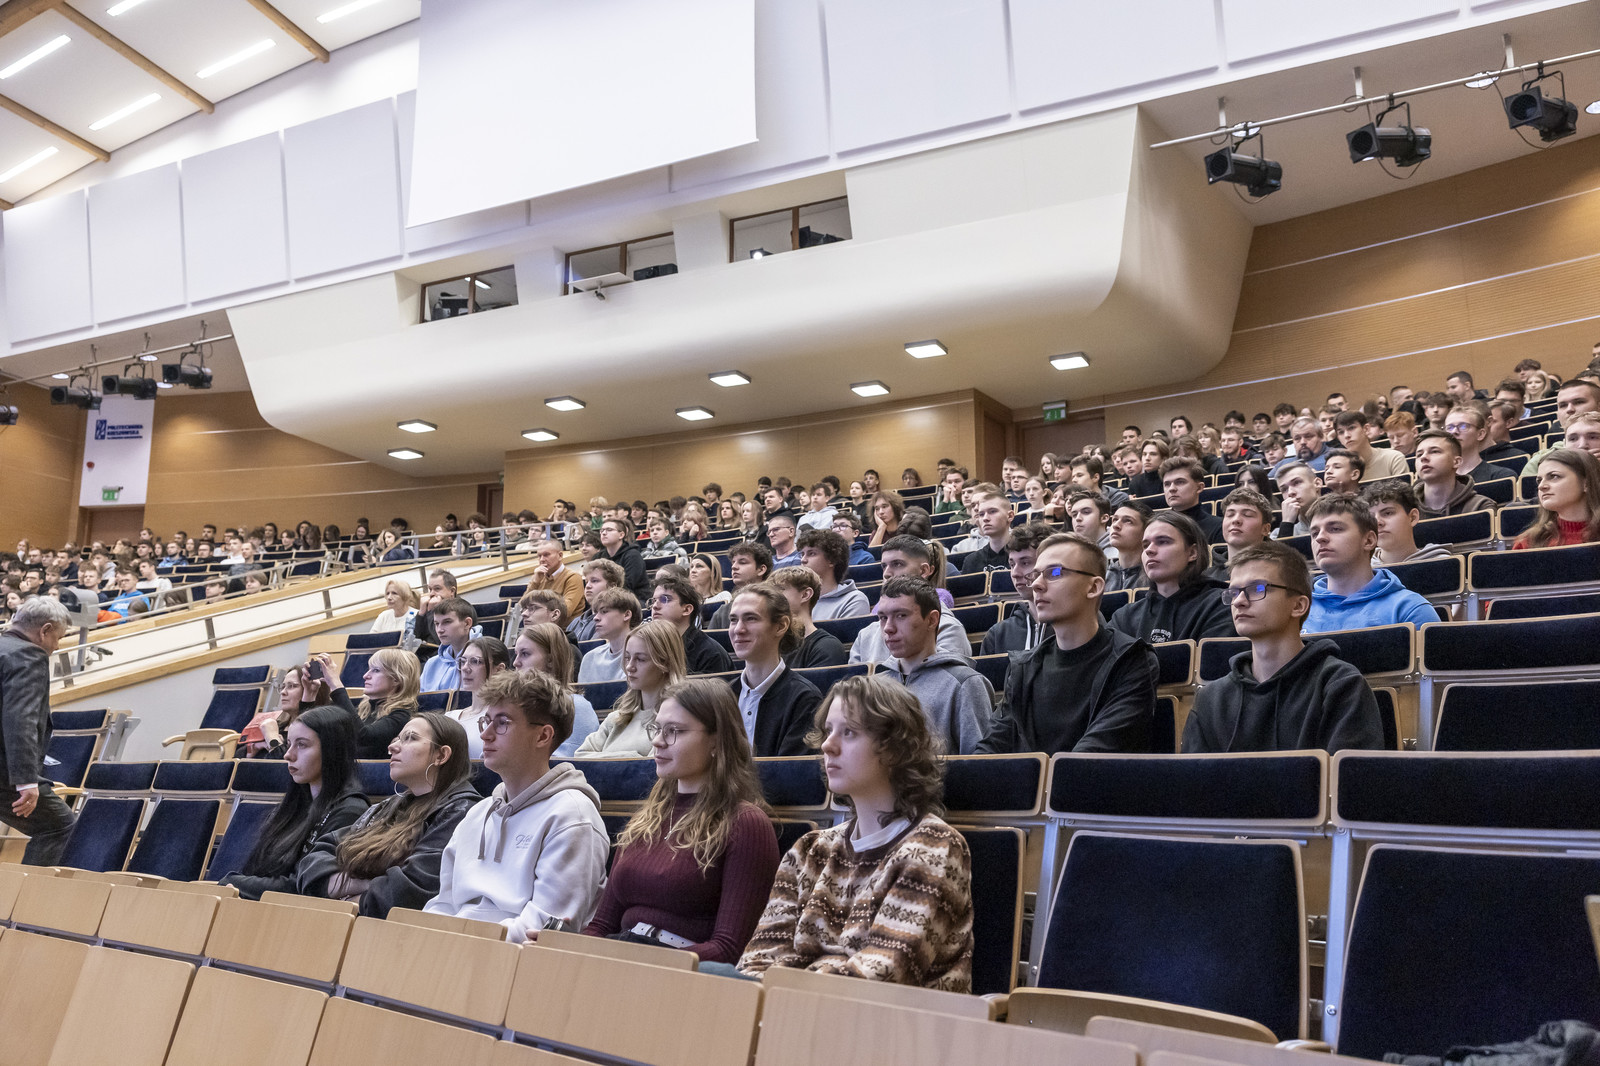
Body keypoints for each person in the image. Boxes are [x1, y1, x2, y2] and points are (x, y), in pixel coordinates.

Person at [736, 675, 973, 990]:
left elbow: (883, 974)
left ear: (895, 749)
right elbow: (756, 961)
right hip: (797, 1007)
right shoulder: (809, 850)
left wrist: (781, 988)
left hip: (890, 1017)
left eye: (848, 732)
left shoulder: (934, 847)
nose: (827, 745)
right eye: (828, 731)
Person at [582, 679, 780, 962]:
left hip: (682, 972)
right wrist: (564, 946)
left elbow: (730, 948)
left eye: (673, 731)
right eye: (657, 729)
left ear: (716, 741)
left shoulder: (745, 823)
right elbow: (601, 926)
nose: (657, 741)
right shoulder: (645, 819)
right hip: (624, 956)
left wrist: (644, 964)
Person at [425, 671, 610, 941]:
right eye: (486, 721)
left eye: (502, 723)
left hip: (512, 958)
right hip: (454, 949)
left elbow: (545, 928)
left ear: (543, 736)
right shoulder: (477, 813)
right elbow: (443, 905)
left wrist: (456, 942)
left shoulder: (573, 815)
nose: (485, 734)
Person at [1182, 542, 1384, 754]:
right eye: (1234, 592)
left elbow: (1346, 774)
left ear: (1298, 606)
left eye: (1256, 589)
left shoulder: (1340, 685)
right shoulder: (1210, 699)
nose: (1239, 601)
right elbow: (1196, 775)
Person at [976, 533, 1159, 754]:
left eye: (1054, 572)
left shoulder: (1131, 660)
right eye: (1036, 575)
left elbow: (1095, 753)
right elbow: (992, 747)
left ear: (1093, 587)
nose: (1036, 585)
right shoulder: (1023, 668)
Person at [296, 713, 479, 916]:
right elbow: (311, 863)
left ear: (441, 755)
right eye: (397, 739)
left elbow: (411, 891)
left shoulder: (461, 810)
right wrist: (366, 884)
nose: (392, 747)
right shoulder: (389, 806)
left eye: (410, 738)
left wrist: (344, 898)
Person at [219, 705, 369, 898]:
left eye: (302, 745)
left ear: (333, 750)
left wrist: (233, 883)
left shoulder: (350, 810)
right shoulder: (299, 802)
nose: (288, 754)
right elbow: (264, 869)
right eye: (289, 744)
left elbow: (305, 886)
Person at [875, 579, 993, 755]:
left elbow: (978, 765)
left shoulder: (965, 684)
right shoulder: (875, 686)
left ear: (932, 620)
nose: (888, 628)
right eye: (883, 618)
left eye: (901, 616)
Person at [0, 599, 76, 864]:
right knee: (59, 826)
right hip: (5, 772)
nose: (57, 646)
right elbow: (21, 719)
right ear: (45, 630)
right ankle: (26, 893)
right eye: (58, 638)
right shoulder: (28, 656)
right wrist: (26, 780)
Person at [1303, 495, 1438, 633]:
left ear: (1369, 541)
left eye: (1335, 529)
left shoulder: (1410, 609)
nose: (1320, 538)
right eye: (1314, 533)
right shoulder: (1298, 610)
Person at [1109, 511, 1236, 644]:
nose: (1149, 550)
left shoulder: (1221, 604)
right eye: (1145, 545)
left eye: (1163, 542)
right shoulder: (1124, 617)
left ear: (1192, 553)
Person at [726, 583, 822, 756]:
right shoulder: (724, 696)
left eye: (751, 618)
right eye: (733, 620)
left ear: (781, 626)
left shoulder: (805, 699)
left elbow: (786, 771)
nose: (738, 629)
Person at [849, 537, 972, 665]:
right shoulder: (865, 636)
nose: (886, 574)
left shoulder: (949, 629)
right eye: (884, 566)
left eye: (897, 564)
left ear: (924, 570)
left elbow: (946, 676)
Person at [576, 619, 688, 757]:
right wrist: (633, 757)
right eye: (627, 658)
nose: (629, 667)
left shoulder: (676, 719)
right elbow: (581, 755)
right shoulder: (617, 718)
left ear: (665, 663)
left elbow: (653, 766)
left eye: (640, 659)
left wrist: (615, 759)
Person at [514, 624, 600, 755]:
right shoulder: (513, 705)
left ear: (551, 660)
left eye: (525, 654)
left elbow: (563, 761)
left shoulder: (576, 706)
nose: (515, 662)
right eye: (516, 654)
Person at [325, 647, 422, 759]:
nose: (365, 676)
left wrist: (336, 684)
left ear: (396, 679)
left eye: (376, 670)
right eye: (369, 669)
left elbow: (363, 736)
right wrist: (311, 694)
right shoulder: (363, 710)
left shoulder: (402, 716)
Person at [979, 523, 1051, 655]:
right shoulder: (997, 635)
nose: (1015, 573)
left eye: (1025, 563)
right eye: (1012, 565)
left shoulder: (1071, 626)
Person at [1514, 448, 1600, 548]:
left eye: (1554, 476)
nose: (1541, 486)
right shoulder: (1527, 543)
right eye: (1539, 480)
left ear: (1587, 483)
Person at [651, 574, 732, 675]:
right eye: (653, 601)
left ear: (687, 609)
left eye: (664, 599)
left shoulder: (710, 654)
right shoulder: (648, 648)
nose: (655, 606)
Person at [770, 566, 848, 668]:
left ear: (805, 595)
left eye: (779, 590)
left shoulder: (826, 646)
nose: (770, 597)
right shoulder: (767, 645)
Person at [443, 637, 511, 751]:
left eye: (475, 661)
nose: (465, 668)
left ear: (499, 670)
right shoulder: (450, 717)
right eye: (463, 661)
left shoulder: (503, 719)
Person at [1412, 430, 1495, 520]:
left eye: (1434, 451)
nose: (1423, 457)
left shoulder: (1479, 507)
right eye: (1419, 454)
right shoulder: (1406, 509)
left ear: (1456, 462)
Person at [1367, 483, 1451, 565]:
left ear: (1413, 517)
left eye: (1388, 513)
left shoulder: (1443, 563)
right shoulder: (1362, 569)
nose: (1377, 522)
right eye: (1371, 517)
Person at [796, 529, 870, 621]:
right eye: (802, 554)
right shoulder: (797, 598)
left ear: (832, 560)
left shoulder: (854, 600)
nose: (803, 560)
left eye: (811, 553)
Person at [576, 588, 642, 683]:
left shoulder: (642, 658)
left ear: (627, 615)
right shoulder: (590, 658)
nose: (595, 618)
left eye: (604, 611)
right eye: (596, 613)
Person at [1208, 488, 1273, 580]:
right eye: (1230, 515)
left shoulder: (1281, 571)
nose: (1236, 520)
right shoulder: (1205, 577)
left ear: (1265, 529)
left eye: (1247, 515)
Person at [1443, 405, 1517, 485]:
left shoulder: (1500, 476)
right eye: (1449, 427)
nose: (1454, 431)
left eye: (1463, 426)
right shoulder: (1437, 478)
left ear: (1480, 434)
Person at [1159, 457, 1223, 544]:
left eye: (1180, 482)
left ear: (1199, 487)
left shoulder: (1218, 527)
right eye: (1167, 484)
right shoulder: (1156, 528)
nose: (1171, 488)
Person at [1334, 410, 1410, 483]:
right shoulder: (1338, 470)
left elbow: (1404, 491)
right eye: (1341, 432)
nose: (1346, 435)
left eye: (1351, 428)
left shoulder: (1393, 458)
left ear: (1366, 429)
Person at [708, 543, 772, 629]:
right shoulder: (722, 612)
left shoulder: (775, 605)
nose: (734, 567)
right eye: (733, 563)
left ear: (761, 570)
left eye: (742, 562)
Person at [419, 597, 478, 691]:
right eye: (437, 624)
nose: (440, 630)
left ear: (467, 623)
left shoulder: (483, 659)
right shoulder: (431, 664)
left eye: (447, 622)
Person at [568, 559, 624, 642]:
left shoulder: (613, 620)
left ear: (612, 586)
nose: (588, 586)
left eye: (594, 581)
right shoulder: (575, 622)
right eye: (586, 582)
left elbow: (595, 647)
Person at [529, 540, 586, 619]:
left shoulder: (573, 577)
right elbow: (522, 607)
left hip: (563, 626)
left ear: (560, 556)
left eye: (546, 555)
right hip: (539, 624)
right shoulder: (538, 577)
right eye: (539, 556)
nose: (542, 559)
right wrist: (535, 582)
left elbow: (566, 611)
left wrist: (535, 612)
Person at [960, 491, 1013, 574]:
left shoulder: (1024, 555)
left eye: (992, 511)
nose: (985, 518)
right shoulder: (972, 561)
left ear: (1010, 516)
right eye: (981, 514)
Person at [600, 517, 651, 602]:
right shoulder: (598, 557)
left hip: (634, 600)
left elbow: (627, 586)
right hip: (607, 599)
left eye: (609, 530)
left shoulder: (633, 555)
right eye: (602, 530)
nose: (604, 533)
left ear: (621, 535)